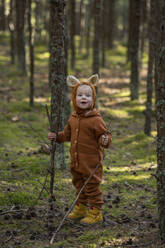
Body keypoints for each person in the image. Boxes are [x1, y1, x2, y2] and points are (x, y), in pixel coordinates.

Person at [48, 74, 112, 224]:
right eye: (80, 95)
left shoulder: (96, 119)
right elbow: (67, 135)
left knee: (91, 186)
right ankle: (81, 208)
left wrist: (105, 140)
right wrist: (57, 137)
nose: (84, 98)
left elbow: (105, 135)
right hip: (76, 162)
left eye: (88, 95)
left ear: (93, 98)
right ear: (74, 98)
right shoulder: (73, 118)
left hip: (91, 162)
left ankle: (96, 212)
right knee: (79, 184)